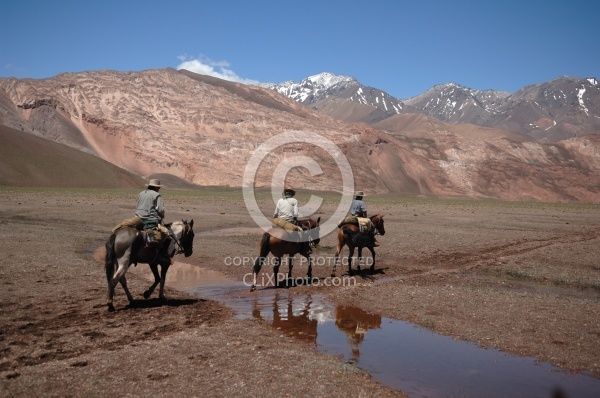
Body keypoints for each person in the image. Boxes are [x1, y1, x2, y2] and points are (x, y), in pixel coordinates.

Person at [135, 179, 171, 264]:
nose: (159, 189)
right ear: (156, 187)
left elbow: (138, 205)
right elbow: (160, 209)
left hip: (137, 219)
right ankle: (161, 256)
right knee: (167, 235)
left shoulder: (141, 193)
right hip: (150, 220)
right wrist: (160, 217)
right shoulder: (157, 195)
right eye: (158, 187)